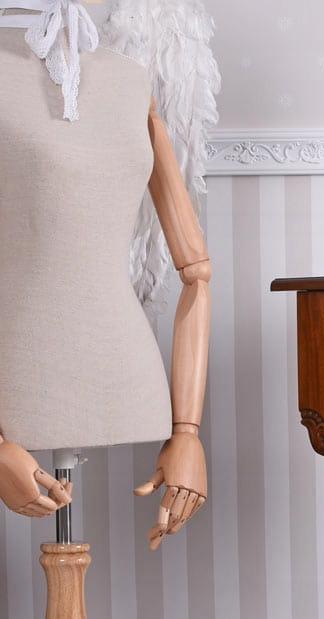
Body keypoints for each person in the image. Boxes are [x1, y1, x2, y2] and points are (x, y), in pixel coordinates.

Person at [0, 0, 210, 550]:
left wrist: (188, 432)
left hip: (126, 375)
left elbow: (196, 273)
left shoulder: (130, 81)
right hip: (20, 379)